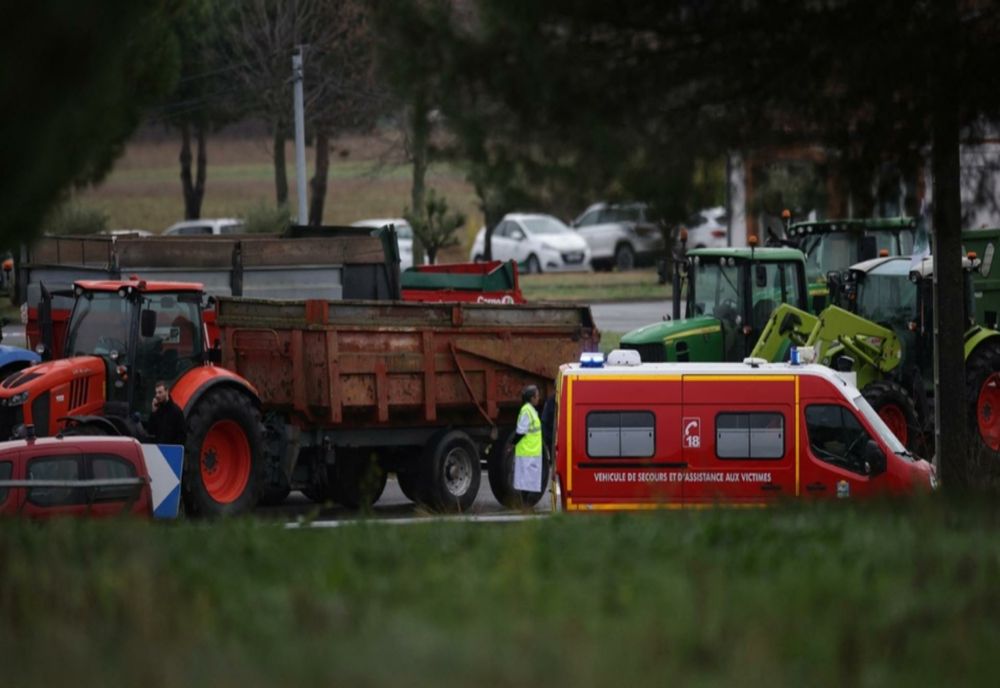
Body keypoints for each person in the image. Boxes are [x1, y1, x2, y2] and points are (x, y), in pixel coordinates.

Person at [512, 384, 543, 493]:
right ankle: (525, 507)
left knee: (529, 482)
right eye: (537, 396)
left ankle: (525, 507)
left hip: (531, 451)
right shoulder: (526, 411)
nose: (538, 398)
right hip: (527, 452)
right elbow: (521, 431)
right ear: (532, 398)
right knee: (526, 483)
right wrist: (512, 444)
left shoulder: (531, 410)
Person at [147, 380, 186, 445]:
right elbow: (150, 432)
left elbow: (182, 436)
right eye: (156, 393)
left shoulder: (176, 411)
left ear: (167, 391)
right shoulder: (157, 411)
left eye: (160, 392)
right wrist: (153, 412)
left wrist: (172, 449)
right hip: (158, 450)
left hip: (170, 451)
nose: (157, 395)